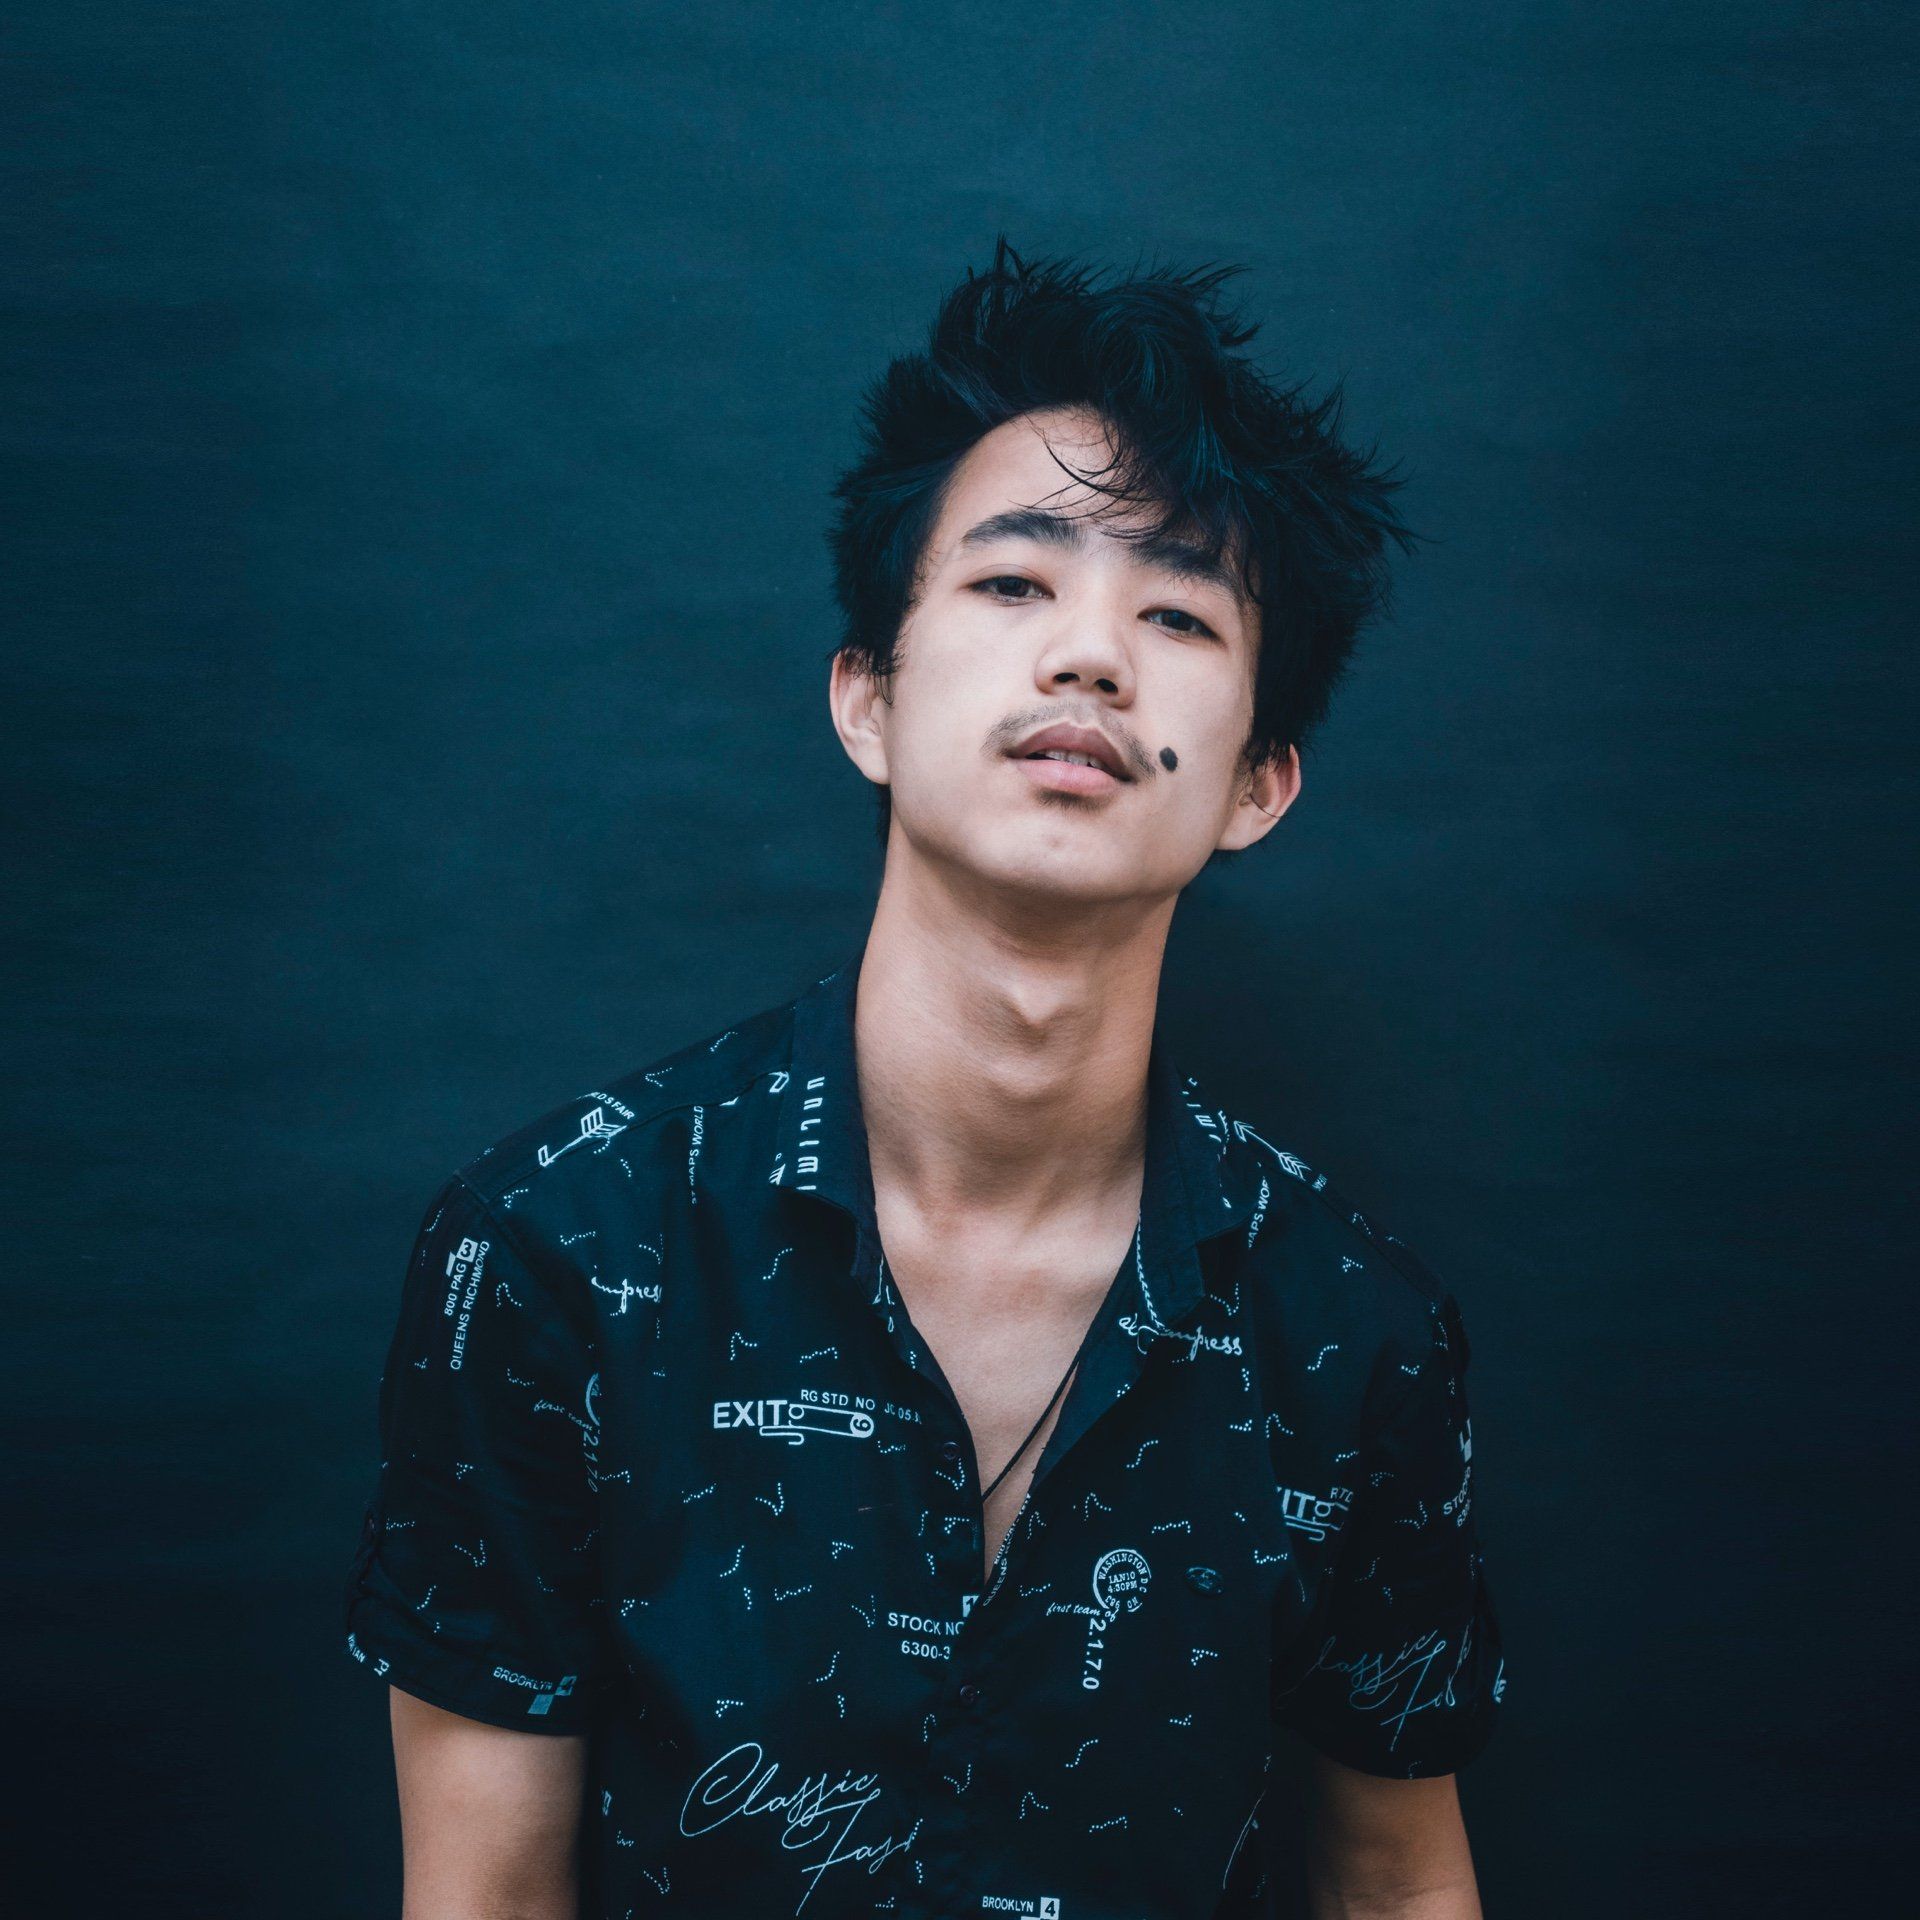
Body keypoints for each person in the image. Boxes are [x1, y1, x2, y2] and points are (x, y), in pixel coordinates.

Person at [342, 237, 1506, 1920]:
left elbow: (1400, 1889)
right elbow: (483, 1896)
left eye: (1176, 612)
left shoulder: (1355, 1329)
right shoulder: (555, 1257)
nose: (1091, 659)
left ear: (1258, 783)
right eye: (1015, 584)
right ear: (867, 701)